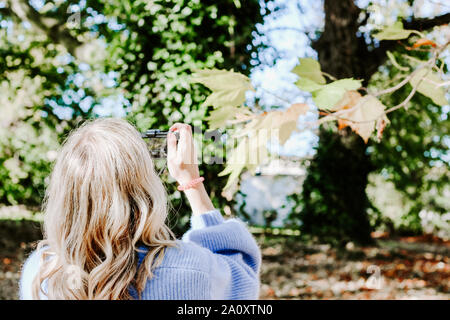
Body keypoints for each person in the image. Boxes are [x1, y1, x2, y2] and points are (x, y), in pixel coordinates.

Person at [19, 118, 261, 300]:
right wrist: (191, 183)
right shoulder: (192, 269)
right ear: (144, 189)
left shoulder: (40, 273)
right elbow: (243, 277)